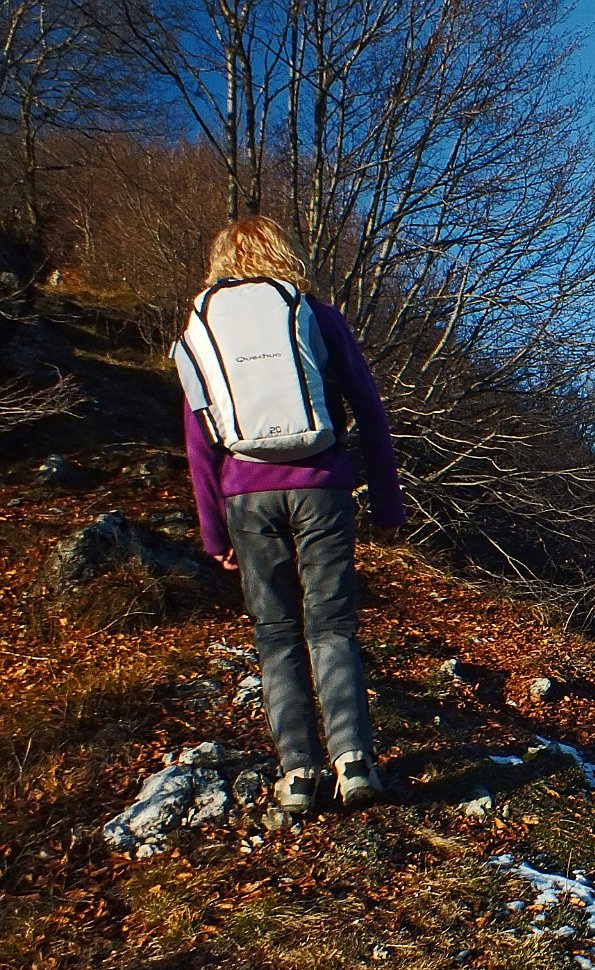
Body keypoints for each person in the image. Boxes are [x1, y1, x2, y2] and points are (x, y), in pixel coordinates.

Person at [177, 215, 405, 817]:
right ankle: (354, 762)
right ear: (285, 253)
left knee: (275, 631)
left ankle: (299, 773)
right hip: (322, 486)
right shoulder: (314, 314)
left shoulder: (203, 328)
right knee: (331, 625)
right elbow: (369, 408)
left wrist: (211, 529)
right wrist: (386, 500)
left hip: (245, 494)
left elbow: (199, 439)